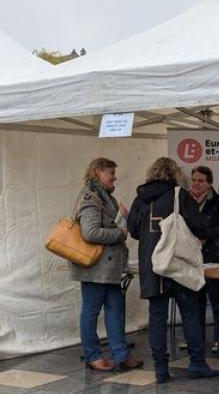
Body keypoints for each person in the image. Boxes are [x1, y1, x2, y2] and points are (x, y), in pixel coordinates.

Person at [127, 157, 219, 384]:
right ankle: (197, 363)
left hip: (152, 265)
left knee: (157, 317)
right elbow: (200, 226)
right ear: (175, 174)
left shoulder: (140, 198)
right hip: (177, 264)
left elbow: (133, 231)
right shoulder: (180, 195)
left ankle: (161, 369)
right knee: (189, 313)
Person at [71, 158, 143, 372]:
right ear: (97, 173)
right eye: (111, 172)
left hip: (108, 268)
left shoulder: (105, 198)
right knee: (92, 310)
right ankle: (93, 356)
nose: (115, 177)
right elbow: (90, 232)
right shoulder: (90, 198)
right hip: (95, 267)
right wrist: (119, 233)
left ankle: (121, 354)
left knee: (115, 309)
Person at [191, 166, 219, 354]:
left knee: (217, 298)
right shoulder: (185, 201)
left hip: (214, 256)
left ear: (209, 183)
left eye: (200, 180)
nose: (196, 184)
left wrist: (205, 235)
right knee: (196, 300)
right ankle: (196, 337)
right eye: (194, 180)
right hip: (193, 258)